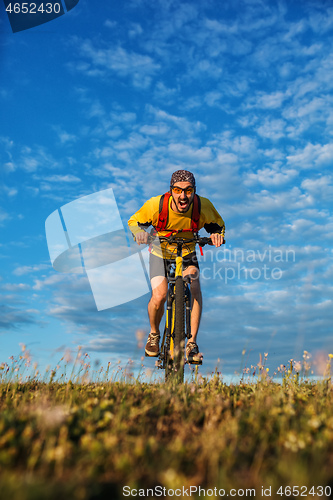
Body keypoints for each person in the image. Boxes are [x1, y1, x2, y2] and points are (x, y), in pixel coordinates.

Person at [128, 170, 225, 364]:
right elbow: (134, 221)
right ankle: (154, 334)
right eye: (177, 190)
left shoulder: (202, 206)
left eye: (188, 191)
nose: (183, 196)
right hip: (159, 252)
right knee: (159, 295)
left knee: (195, 285)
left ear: (194, 191)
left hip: (187, 252)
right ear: (171, 191)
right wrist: (139, 233)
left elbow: (218, 226)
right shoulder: (156, 205)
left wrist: (217, 235)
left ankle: (191, 343)